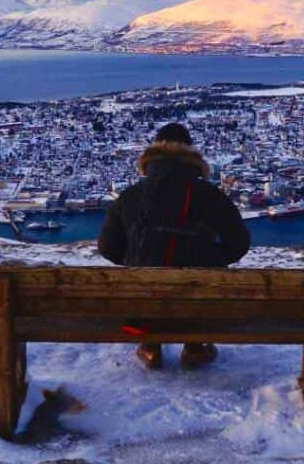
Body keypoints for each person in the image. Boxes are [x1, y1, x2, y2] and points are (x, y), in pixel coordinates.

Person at [98, 122, 251, 369]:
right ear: (191, 156)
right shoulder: (209, 195)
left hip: (143, 310)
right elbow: (239, 243)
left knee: (148, 280)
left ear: (152, 157)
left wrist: (136, 260)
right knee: (195, 287)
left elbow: (107, 246)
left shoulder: (131, 196)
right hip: (198, 307)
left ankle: (150, 345)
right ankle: (194, 346)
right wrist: (210, 258)